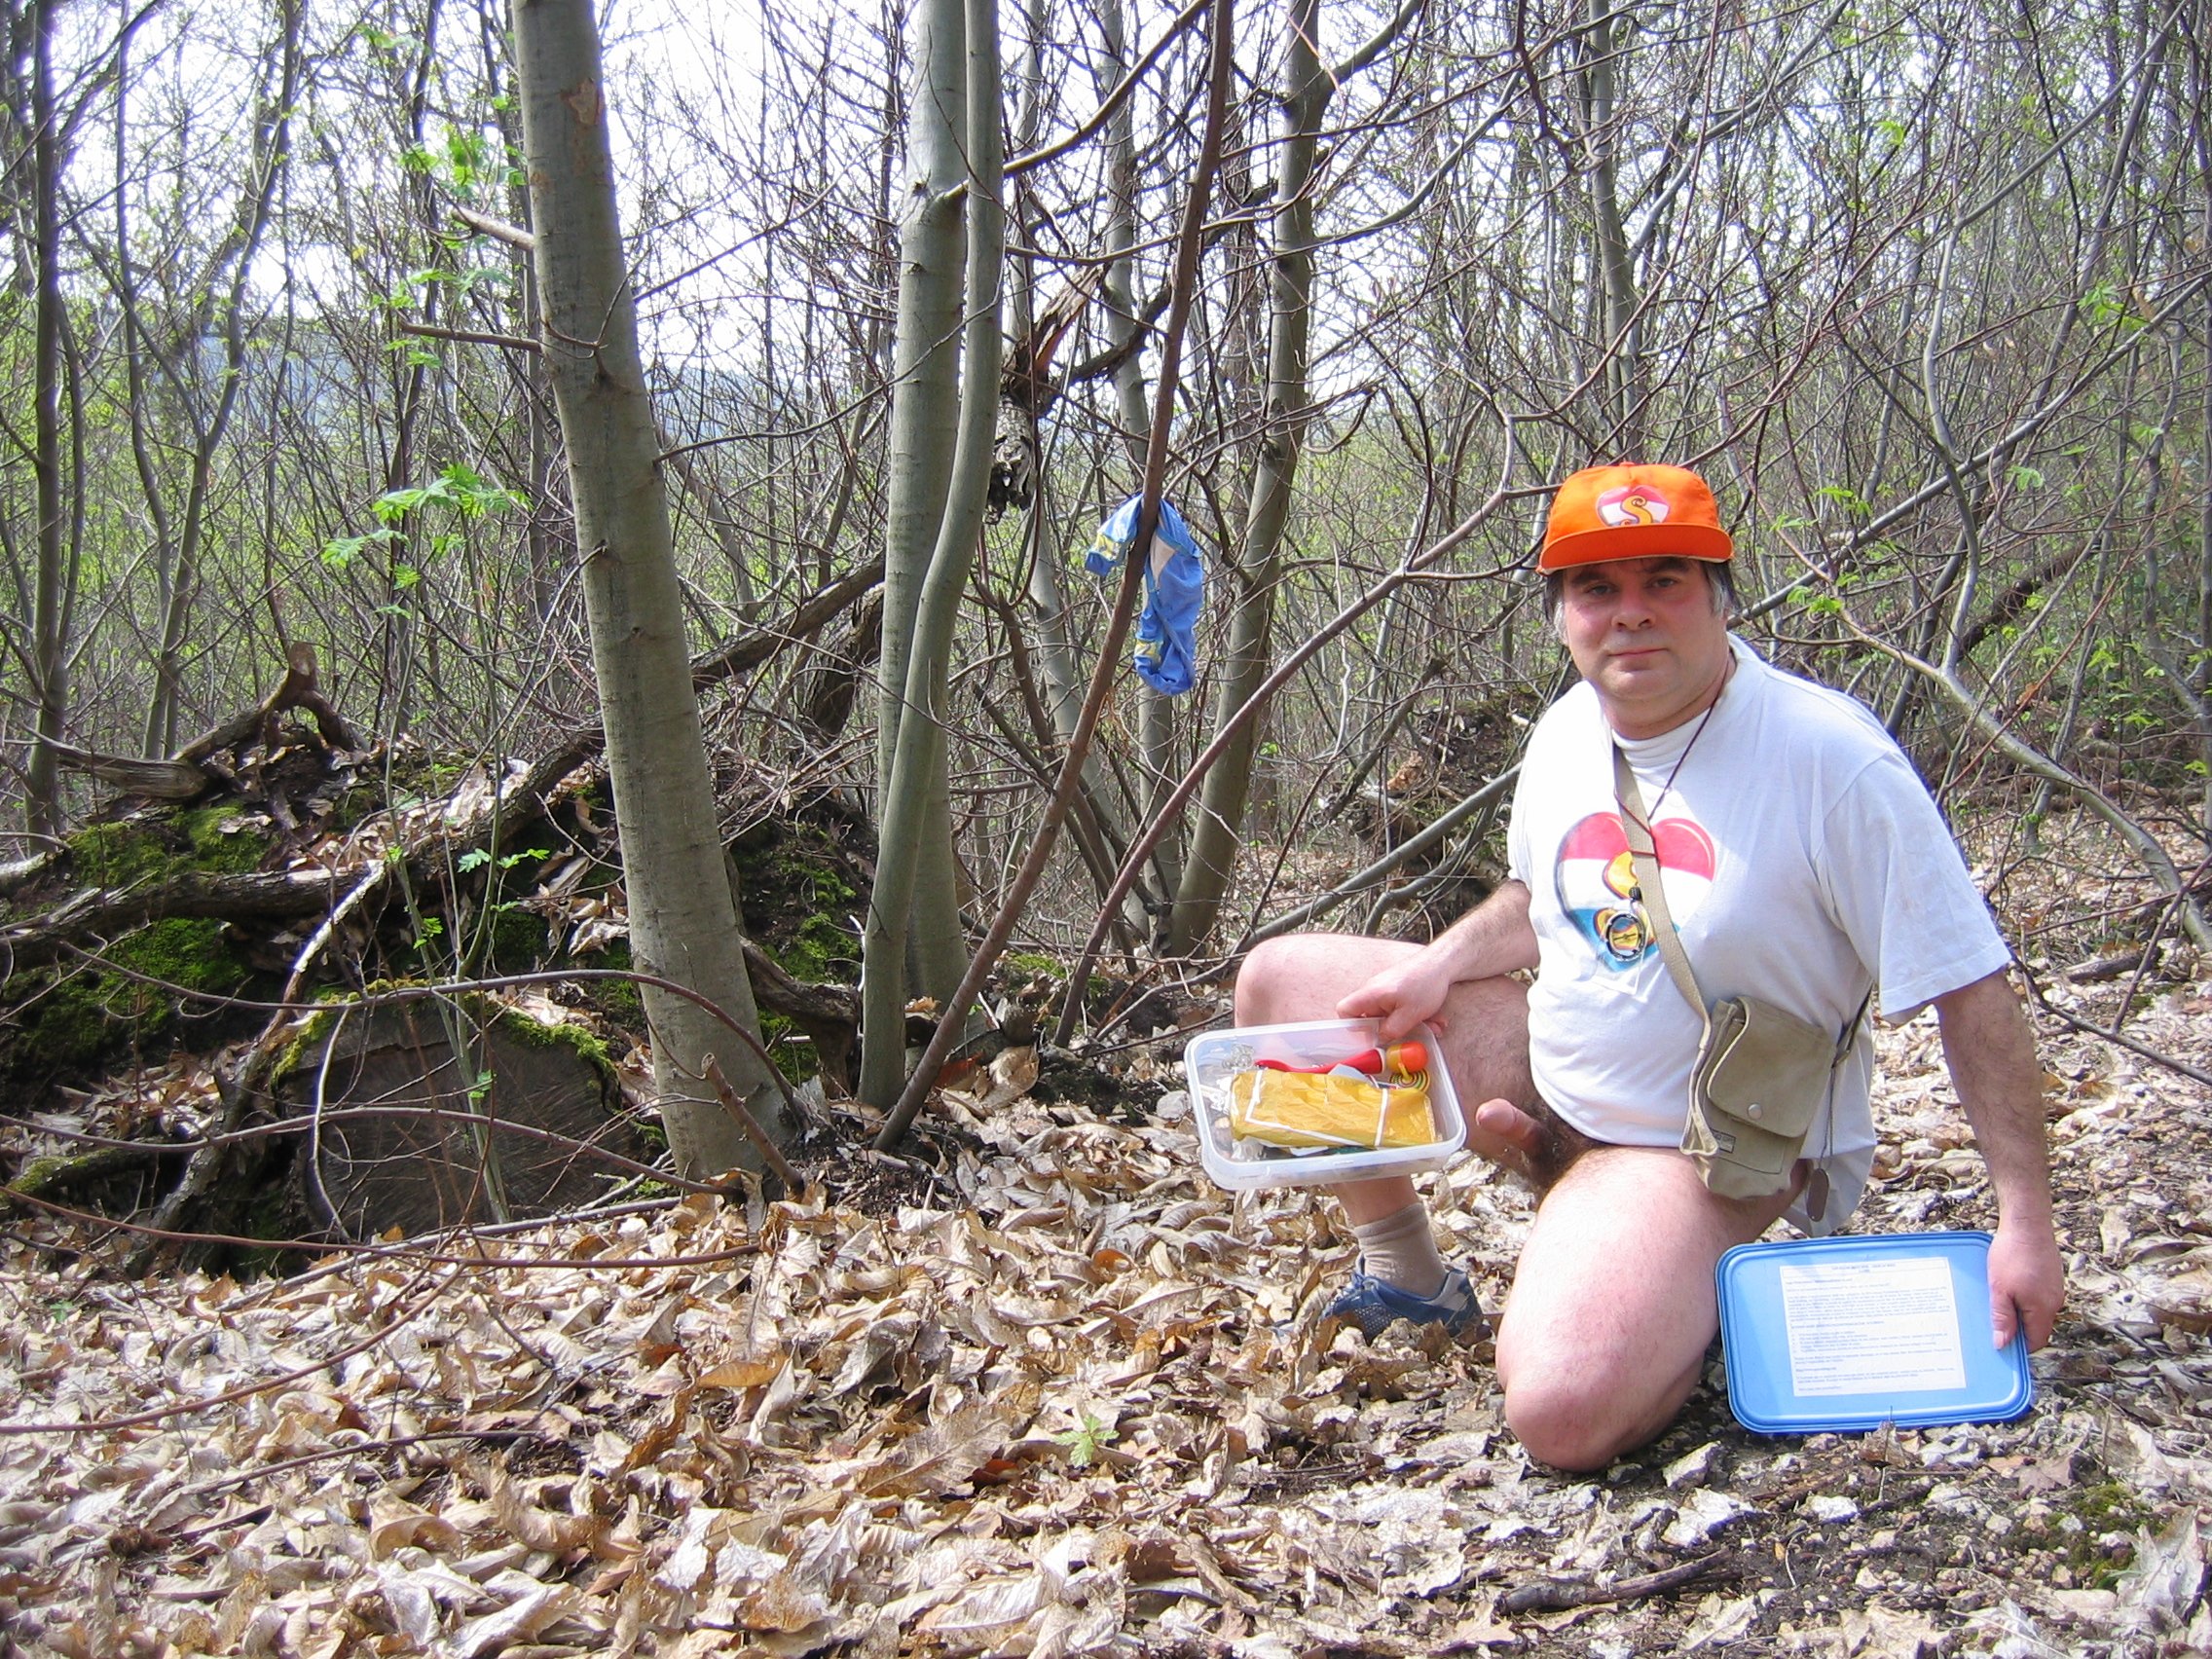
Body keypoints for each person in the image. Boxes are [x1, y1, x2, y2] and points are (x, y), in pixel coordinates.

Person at [1235, 462, 2065, 1472]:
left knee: (1559, 1412)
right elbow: (1541, 901)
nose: (1629, 613)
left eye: (1663, 581)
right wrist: (1441, 966)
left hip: (1703, 1140)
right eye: (1597, 588)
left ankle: (1657, 1272)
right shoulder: (1567, 730)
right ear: (1562, 618)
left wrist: (2025, 1223)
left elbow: (1968, 984)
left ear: (1720, 599)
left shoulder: (1830, 761)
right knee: (1280, 984)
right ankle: (1411, 1280)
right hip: (1552, 1067)